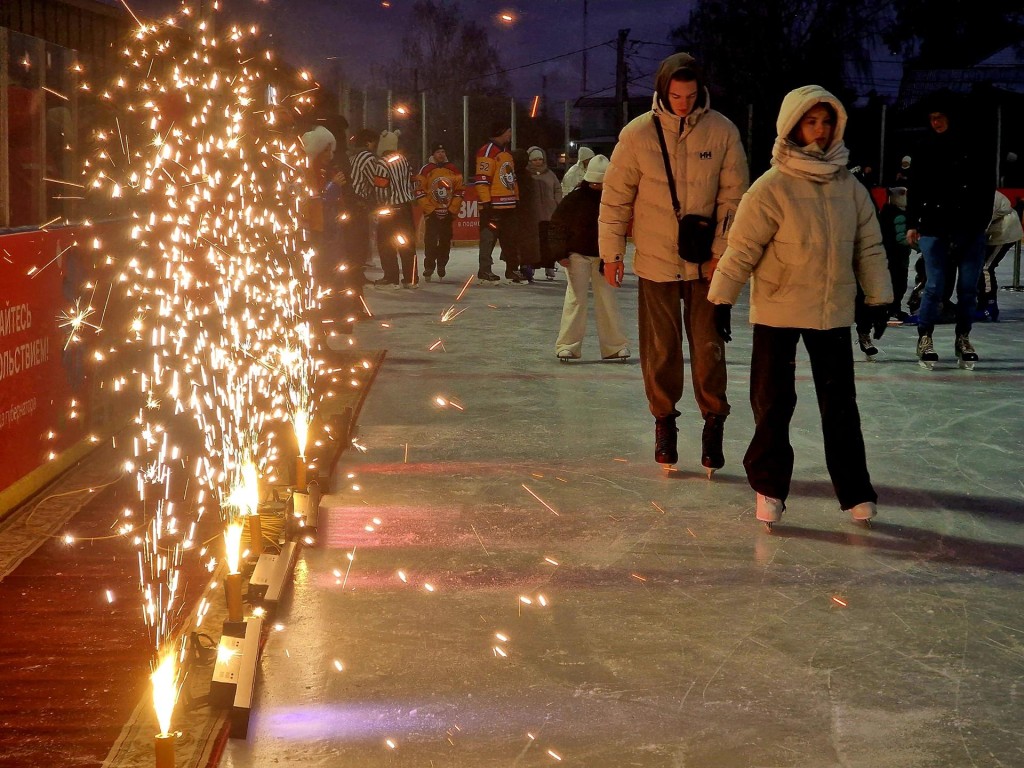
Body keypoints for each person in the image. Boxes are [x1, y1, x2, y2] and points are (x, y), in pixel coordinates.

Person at [708, 85, 892, 529]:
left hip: (830, 312)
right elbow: (742, 249)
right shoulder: (771, 188)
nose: (821, 130)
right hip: (778, 310)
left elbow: (868, 247)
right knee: (773, 403)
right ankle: (769, 488)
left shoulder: (849, 187)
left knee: (841, 406)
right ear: (793, 126)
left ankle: (854, 491)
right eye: (812, 122)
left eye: (827, 122)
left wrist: (878, 297)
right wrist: (720, 298)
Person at [600, 52, 749, 478]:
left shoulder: (722, 131)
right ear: (662, 91)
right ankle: (664, 422)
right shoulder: (637, 134)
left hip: (706, 265)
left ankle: (713, 422)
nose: (682, 103)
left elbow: (735, 198)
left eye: (689, 95)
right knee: (661, 350)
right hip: (656, 263)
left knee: (708, 348)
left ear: (700, 91)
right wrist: (612, 254)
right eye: (675, 95)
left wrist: (723, 250)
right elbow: (615, 200)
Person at [905, 97, 994, 369]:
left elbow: (985, 188)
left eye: (940, 116)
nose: (936, 122)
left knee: (968, 288)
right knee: (934, 286)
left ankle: (963, 337)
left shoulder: (974, 147)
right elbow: (916, 188)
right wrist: (912, 222)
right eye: (932, 118)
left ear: (952, 117)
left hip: (969, 228)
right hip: (934, 225)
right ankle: (925, 337)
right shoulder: (924, 147)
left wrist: (979, 224)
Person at [551, 155, 630, 361]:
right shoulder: (574, 199)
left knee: (607, 300)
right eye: (594, 182)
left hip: (605, 256)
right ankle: (567, 345)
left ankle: (615, 345)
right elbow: (557, 226)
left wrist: (616, 256)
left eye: (601, 183)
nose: (598, 186)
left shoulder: (614, 200)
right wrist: (560, 253)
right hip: (577, 255)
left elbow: (619, 230)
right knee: (576, 299)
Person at [473, 122, 519, 283]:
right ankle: (484, 270)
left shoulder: (505, 152)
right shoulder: (487, 151)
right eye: (508, 131)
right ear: (501, 132)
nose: (510, 135)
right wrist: (486, 203)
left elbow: (512, 179)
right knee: (488, 238)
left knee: (510, 239)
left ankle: (512, 269)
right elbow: (482, 180)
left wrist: (516, 197)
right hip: (493, 207)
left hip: (509, 205)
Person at [414, 143, 464, 283]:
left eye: (443, 151)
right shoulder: (426, 170)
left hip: (447, 213)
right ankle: (429, 266)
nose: (441, 154)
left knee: (445, 241)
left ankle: (442, 264)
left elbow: (460, 190)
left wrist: (452, 209)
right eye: (438, 152)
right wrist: (430, 209)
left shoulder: (452, 169)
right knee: (430, 241)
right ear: (433, 154)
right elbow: (419, 191)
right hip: (432, 214)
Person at [375, 129, 419, 288]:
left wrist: (380, 205)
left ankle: (391, 277)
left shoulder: (382, 163)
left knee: (386, 243)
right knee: (407, 243)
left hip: (390, 208)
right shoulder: (403, 160)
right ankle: (411, 278)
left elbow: (381, 188)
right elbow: (413, 181)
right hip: (405, 207)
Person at [977, 190, 1024, 321]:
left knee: (985, 267)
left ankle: (990, 305)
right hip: (995, 228)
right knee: (980, 265)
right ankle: (982, 302)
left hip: (1005, 230)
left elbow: (984, 220)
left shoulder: (981, 194)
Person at [527, 146, 563, 281]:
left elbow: (557, 188)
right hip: (533, 216)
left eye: (540, 159)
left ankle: (549, 266)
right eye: (535, 160)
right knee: (535, 244)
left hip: (549, 214)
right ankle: (532, 268)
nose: (538, 162)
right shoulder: (526, 174)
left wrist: (557, 202)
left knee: (548, 243)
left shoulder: (550, 174)